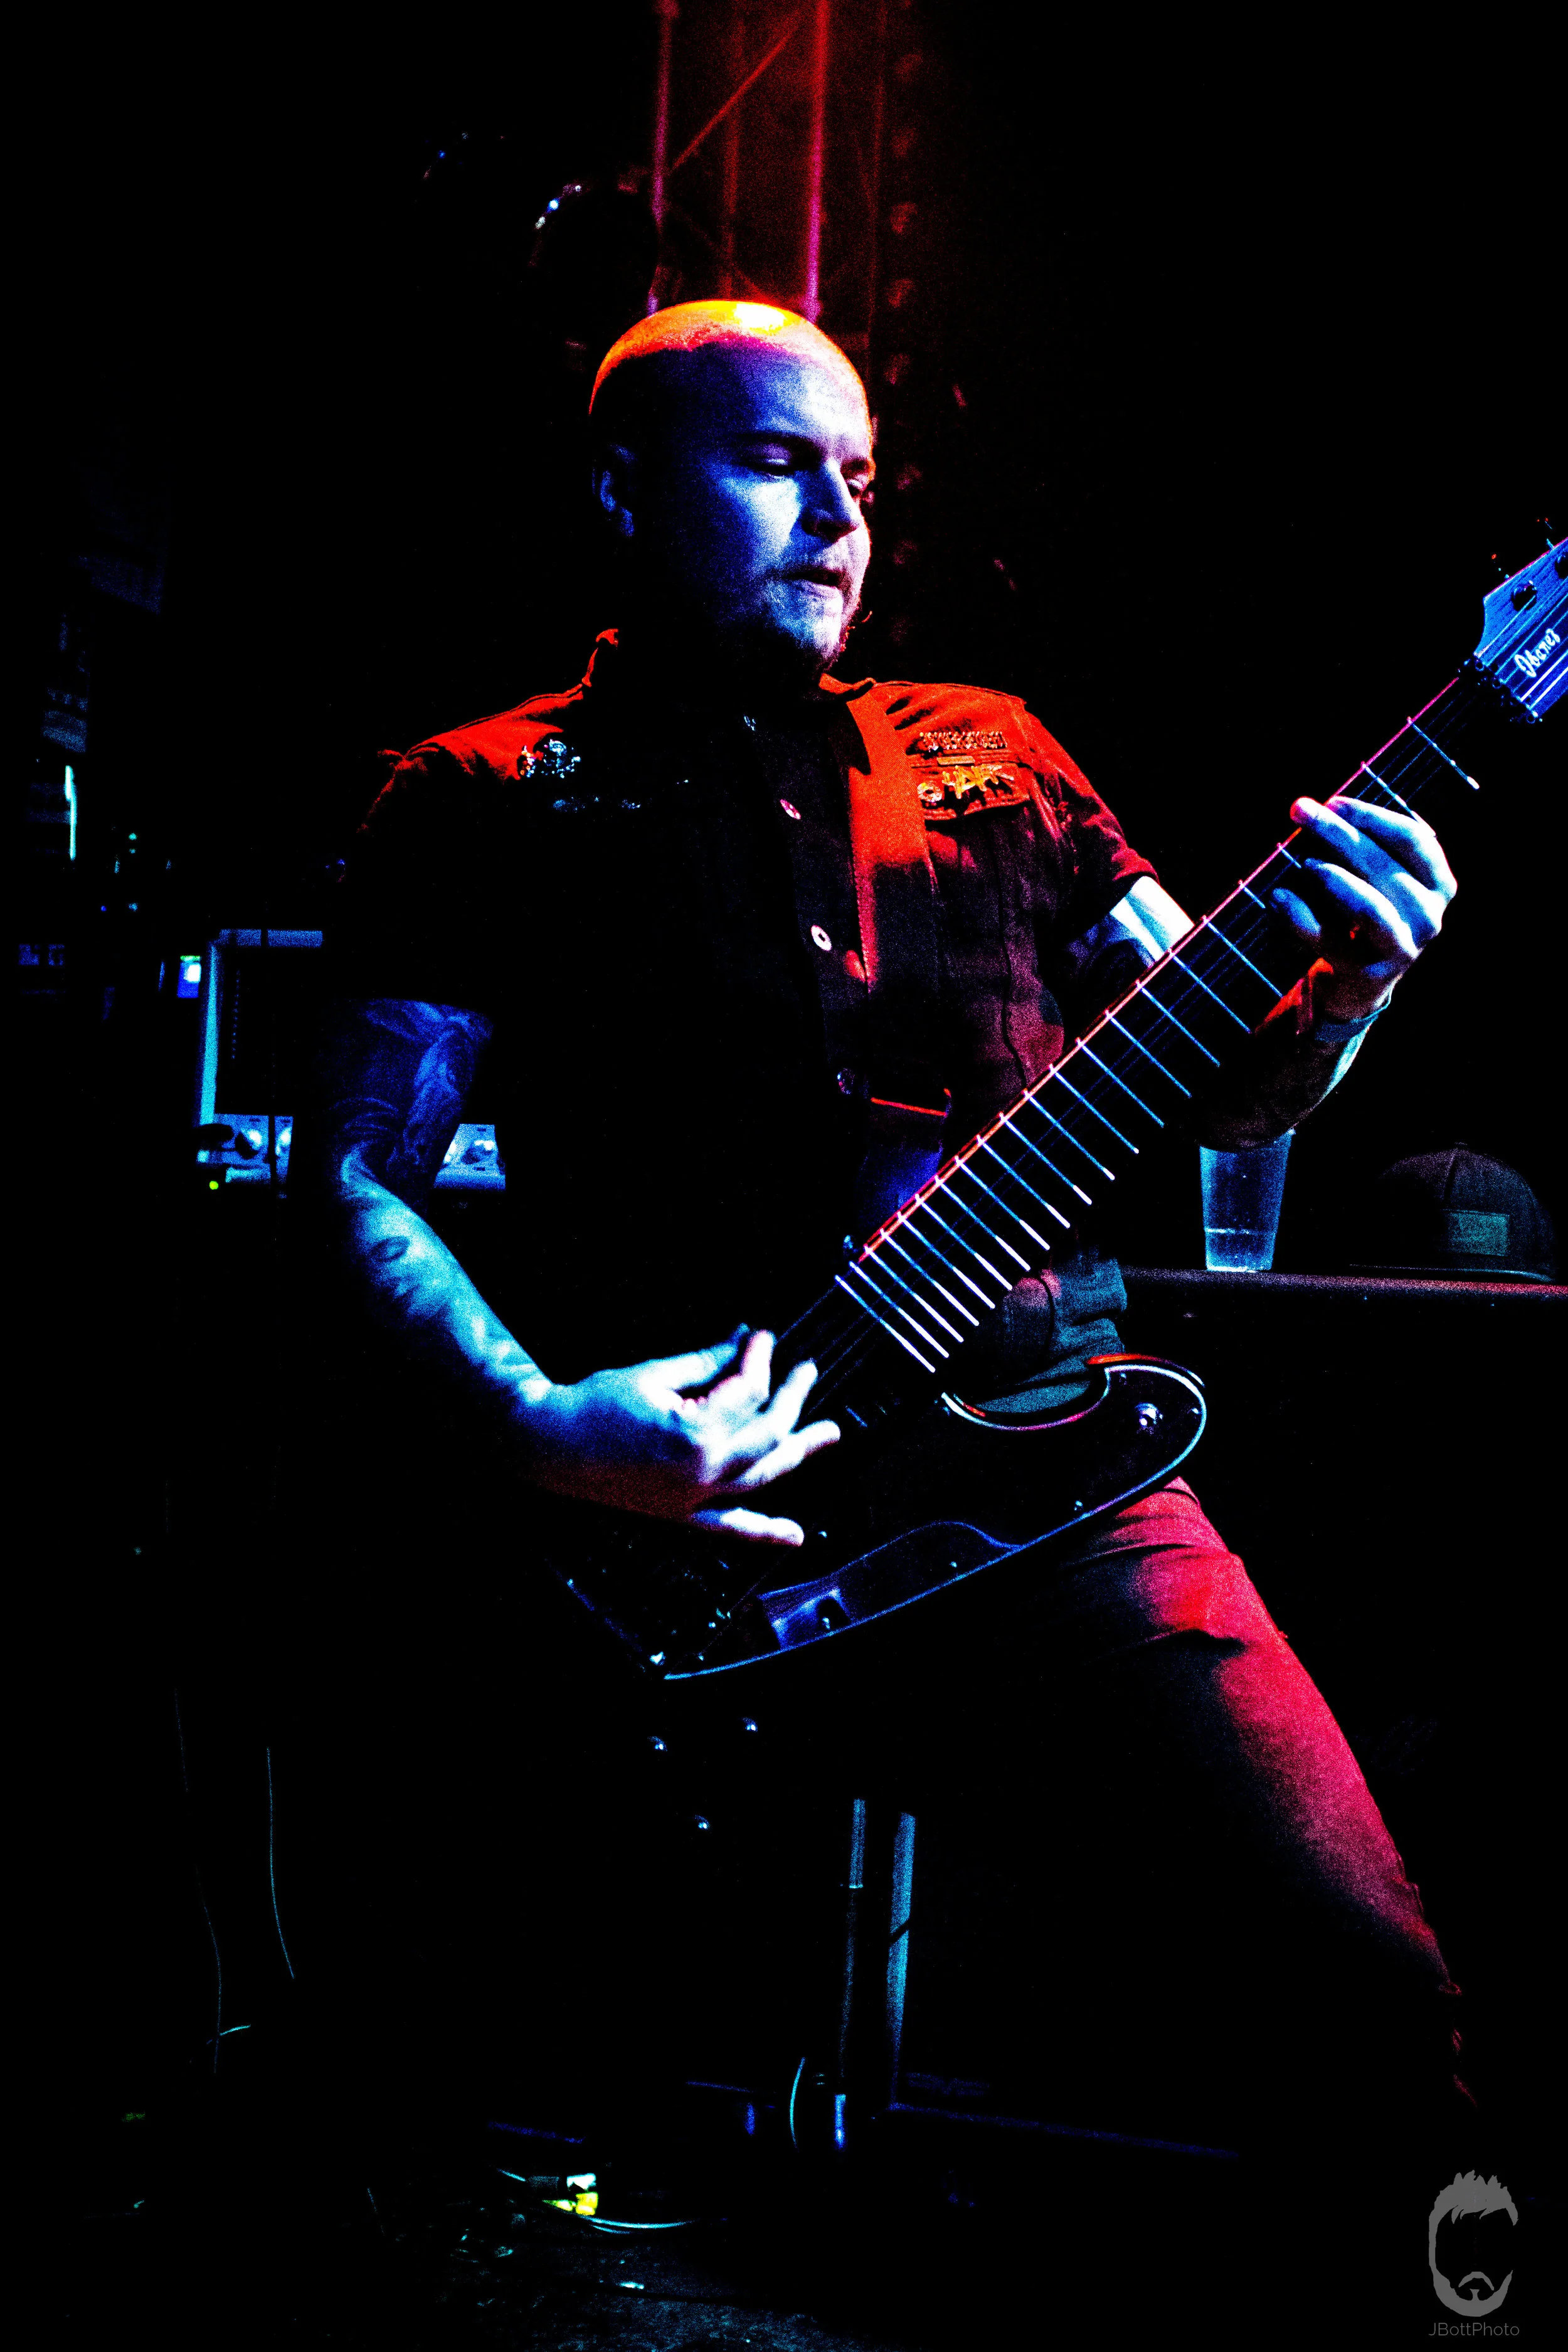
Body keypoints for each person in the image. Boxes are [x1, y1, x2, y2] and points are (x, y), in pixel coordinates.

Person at [296, 300, 1476, 2252]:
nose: (839, 519)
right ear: (622, 489)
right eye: (778, 465)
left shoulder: (993, 758)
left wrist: (1347, 990)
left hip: (1050, 1494)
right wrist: (538, 1420)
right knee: (508, 2113)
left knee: (1358, 1983)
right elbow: (354, 1178)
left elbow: (1231, 1076)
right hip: (694, 1529)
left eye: (859, 476)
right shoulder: (485, 793)